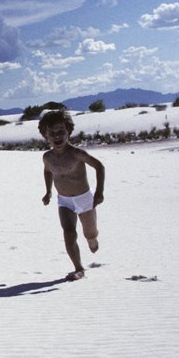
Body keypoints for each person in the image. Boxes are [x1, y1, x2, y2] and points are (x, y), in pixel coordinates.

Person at [39, 110, 105, 281]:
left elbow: (99, 167)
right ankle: (78, 268)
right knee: (68, 233)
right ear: (46, 136)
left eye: (61, 131)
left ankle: (92, 240)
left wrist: (99, 192)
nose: (57, 136)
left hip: (84, 199)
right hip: (64, 201)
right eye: (52, 133)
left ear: (68, 131)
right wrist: (48, 191)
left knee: (90, 234)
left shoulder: (77, 154)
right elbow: (48, 172)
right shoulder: (47, 157)